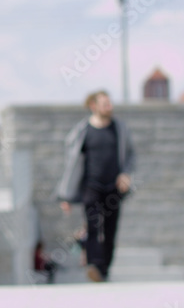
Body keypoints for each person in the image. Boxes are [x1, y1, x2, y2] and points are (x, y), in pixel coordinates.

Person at [55, 90, 135, 282]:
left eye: (110, 103)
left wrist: (125, 174)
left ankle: (104, 270)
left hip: (114, 188)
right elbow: (72, 164)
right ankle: (93, 264)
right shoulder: (83, 131)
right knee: (92, 226)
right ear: (93, 106)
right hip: (91, 186)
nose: (110, 107)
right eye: (105, 104)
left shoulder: (119, 129)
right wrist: (65, 196)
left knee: (110, 230)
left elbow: (131, 156)